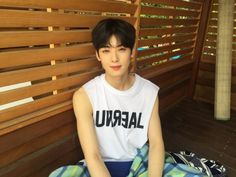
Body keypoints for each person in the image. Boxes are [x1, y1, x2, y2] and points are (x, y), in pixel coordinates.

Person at [72, 18, 165, 177]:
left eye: (121, 49)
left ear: (132, 52)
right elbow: (93, 155)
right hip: (99, 166)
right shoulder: (84, 96)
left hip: (139, 163)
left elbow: (156, 143)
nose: (114, 58)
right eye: (106, 50)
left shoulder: (148, 92)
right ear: (98, 55)